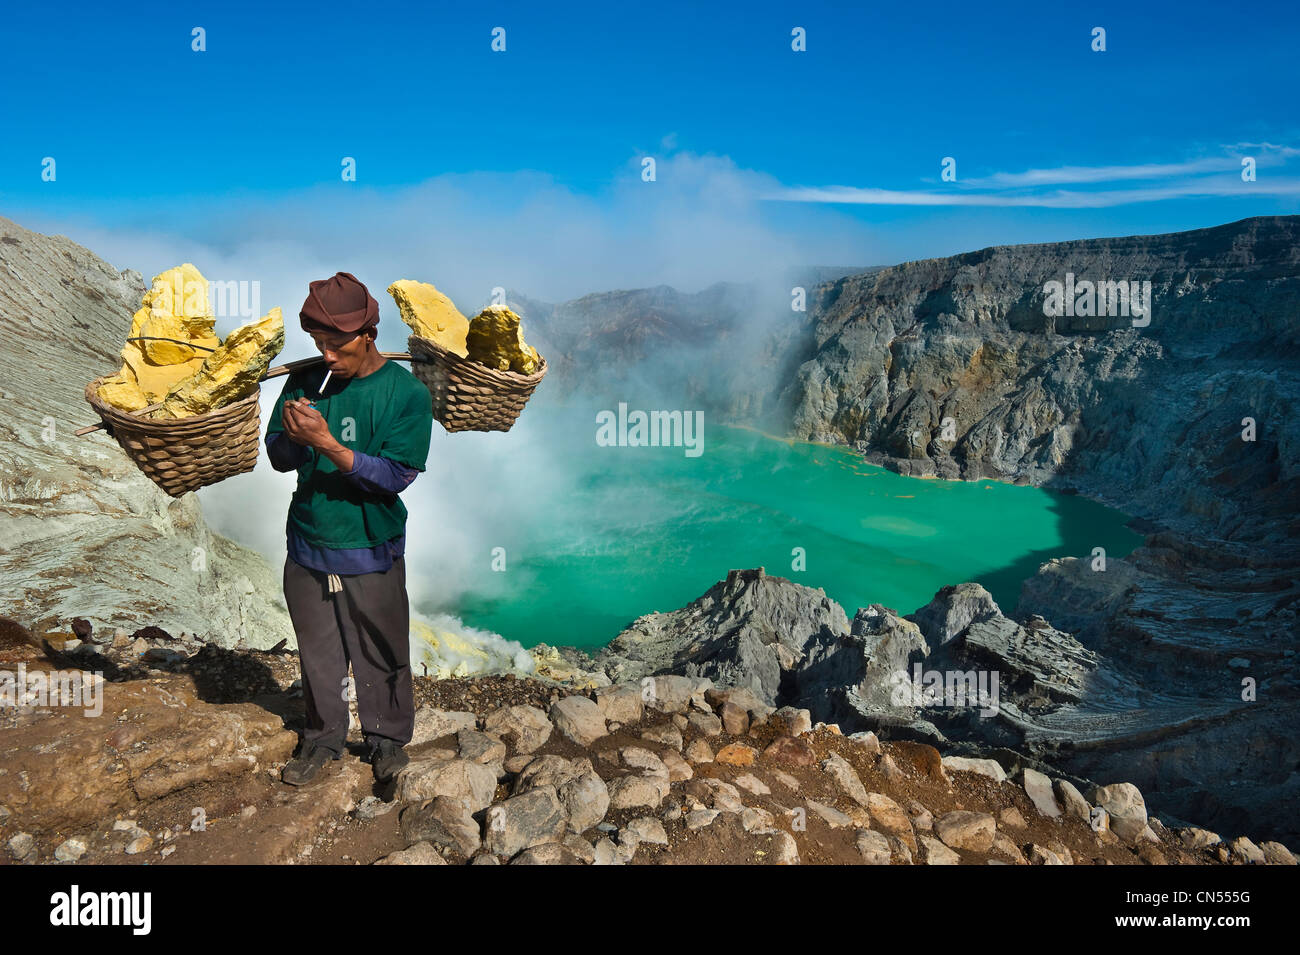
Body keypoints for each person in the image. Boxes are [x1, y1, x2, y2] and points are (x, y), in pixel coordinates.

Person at [266, 271, 433, 787]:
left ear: (368, 336)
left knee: (381, 646)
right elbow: (277, 457)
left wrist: (329, 444)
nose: (329, 356)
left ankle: (386, 741)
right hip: (309, 539)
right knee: (317, 650)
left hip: (370, 543)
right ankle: (322, 738)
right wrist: (295, 438)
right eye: (318, 344)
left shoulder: (406, 394)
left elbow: (394, 477)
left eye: (337, 345)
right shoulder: (306, 380)